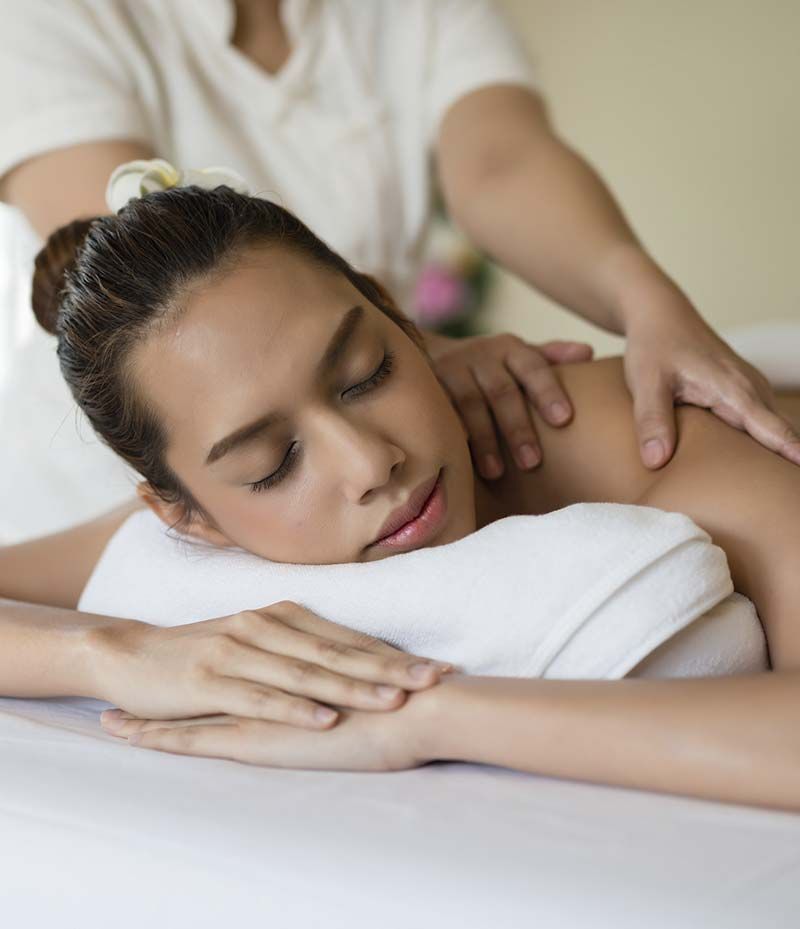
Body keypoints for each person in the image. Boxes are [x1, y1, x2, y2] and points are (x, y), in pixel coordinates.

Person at [2, 181, 799, 812]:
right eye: (272, 464)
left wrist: (423, 720)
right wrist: (111, 653)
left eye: (367, 374)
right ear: (186, 515)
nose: (371, 462)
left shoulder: (663, 442)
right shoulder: (179, 530)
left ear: (402, 319)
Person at [0, 0, 797, 509]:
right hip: (111, 475)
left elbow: (501, 162)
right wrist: (393, 362)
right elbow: (130, 259)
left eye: (367, 372)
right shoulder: (47, 18)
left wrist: (647, 299)